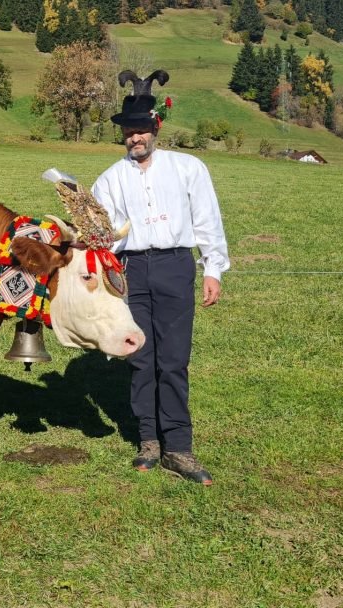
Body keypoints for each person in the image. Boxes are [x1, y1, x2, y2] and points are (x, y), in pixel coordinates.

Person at [91, 69, 229, 486]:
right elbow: (102, 235)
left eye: (141, 130)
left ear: (156, 128)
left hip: (175, 266)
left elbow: (207, 219)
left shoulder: (188, 168)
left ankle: (179, 447)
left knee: (173, 360)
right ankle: (149, 441)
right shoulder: (109, 180)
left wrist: (213, 268)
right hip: (132, 270)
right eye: (129, 131)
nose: (135, 138)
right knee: (141, 359)